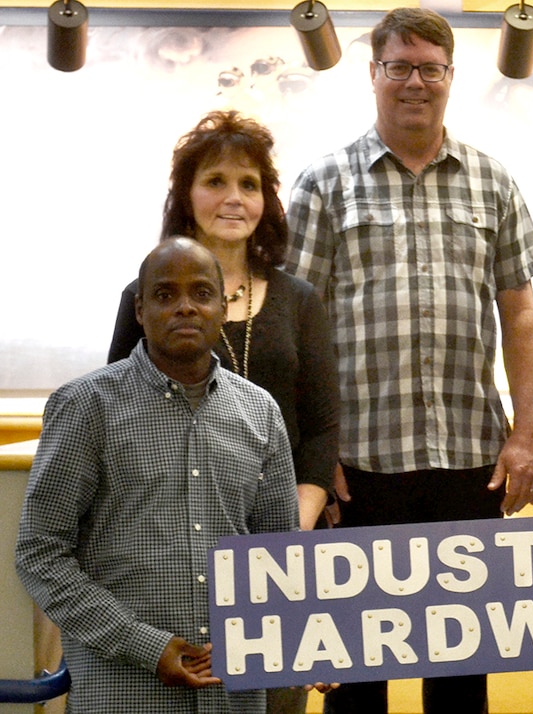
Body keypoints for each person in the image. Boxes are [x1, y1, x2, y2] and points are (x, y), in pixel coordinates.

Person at [283, 8, 533, 713]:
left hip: (471, 464)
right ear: (371, 74)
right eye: (399, 67)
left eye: (430, 68)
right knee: (357, 677)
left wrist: (527, 435)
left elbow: (520, 314)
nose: (414, 82)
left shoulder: (492, 180)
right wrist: (314, 451)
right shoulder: (323, 183)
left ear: (450, 78)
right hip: (359, 469)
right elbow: (294, 327)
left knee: (462, 674)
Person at [107, 111, 339, 713]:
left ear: (267, 200)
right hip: (162, 557)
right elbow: (116, 416)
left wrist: (283, 537)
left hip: (282, 557)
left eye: (249, 184)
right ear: (186, 196)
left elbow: (319, 428)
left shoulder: (300, 300)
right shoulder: (143, 296)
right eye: (214, 181)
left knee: (274, 701)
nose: (232, 197)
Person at [16, 237, 299, 713]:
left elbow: (281, 559)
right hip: (123, 691)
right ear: (140, 310)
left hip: (234, 695)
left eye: (202, 293)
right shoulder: (87, 407)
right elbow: (41, 553)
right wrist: (145, 645)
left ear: (224, 309)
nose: (186, 307)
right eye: (166, 295)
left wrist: (320, 642)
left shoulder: (261, 411)